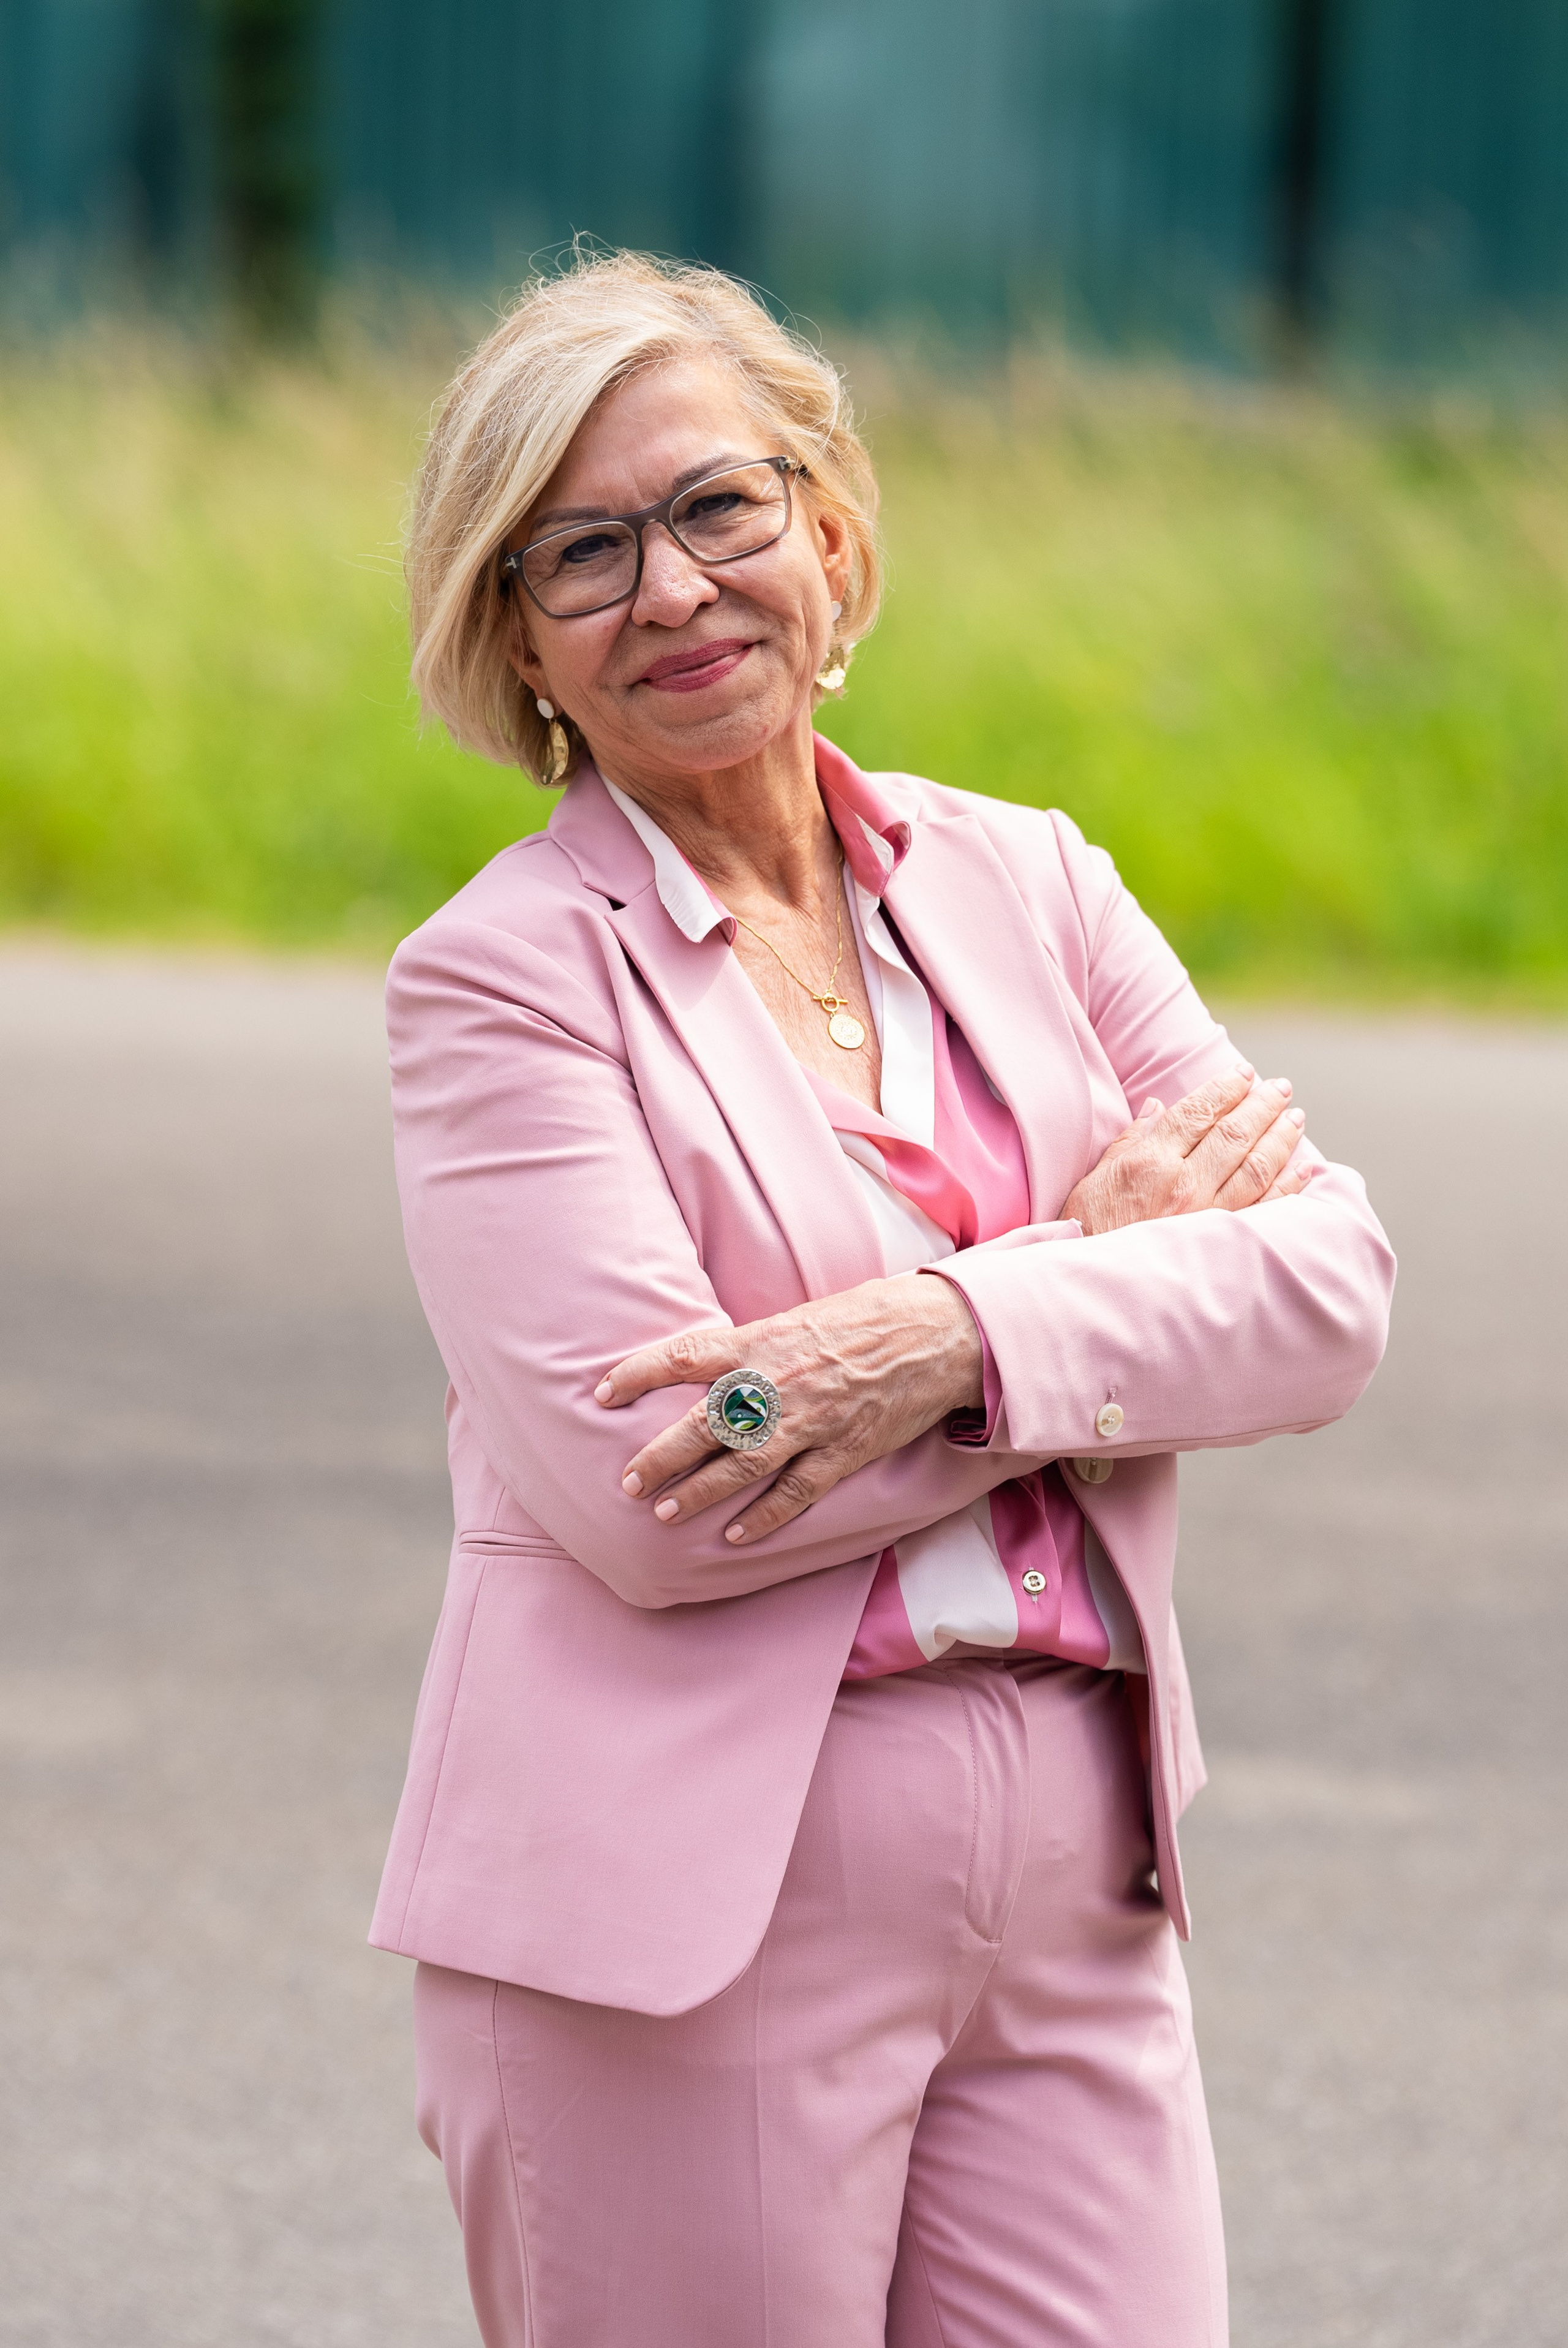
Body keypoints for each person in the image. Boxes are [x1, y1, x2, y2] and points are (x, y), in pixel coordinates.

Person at [373, 251, 1394, 2348]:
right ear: (520, 645)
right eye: (583, 551)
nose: (672, 588)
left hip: (1075, 1865)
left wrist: (935, 1340)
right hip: (685, 1909)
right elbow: (663, 1482)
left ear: (829, 539)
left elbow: (1321, 1287)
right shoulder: (500, 983)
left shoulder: (1030, 877)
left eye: (718, 508)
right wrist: (1090, 1286)